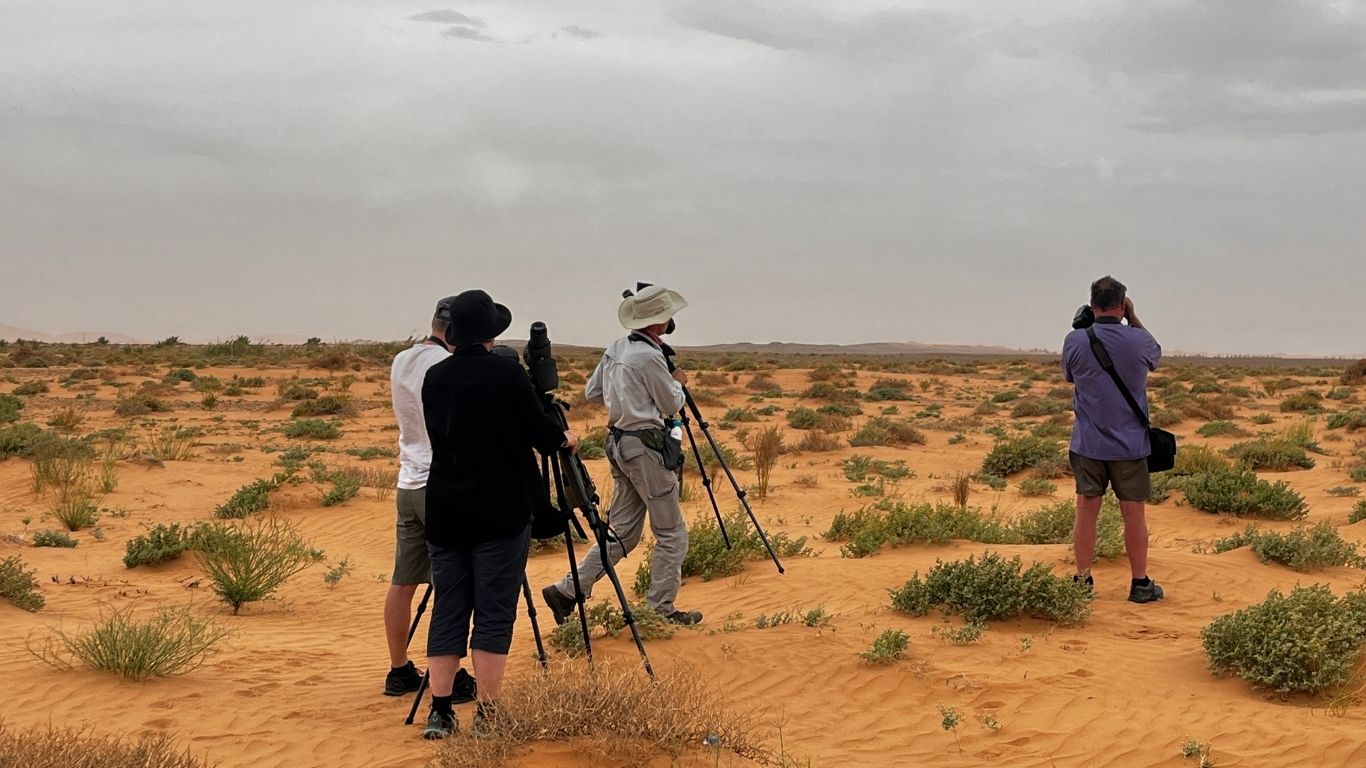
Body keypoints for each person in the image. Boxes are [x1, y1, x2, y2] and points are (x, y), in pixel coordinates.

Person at [420, 289, 578, 739]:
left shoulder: (435, 376)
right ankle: (488, 716)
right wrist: (563, 438)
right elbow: (540, 434)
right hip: (499, 511)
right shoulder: (505, 374)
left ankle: (441, 711)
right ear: (491, 333)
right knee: (493, 612)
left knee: (448, 609)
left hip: (445, 509)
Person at [541, 284, 703, 626]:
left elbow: (592, 392)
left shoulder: (617, 348)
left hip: (619, 444)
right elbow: (672, 403)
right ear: (658, 322)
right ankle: (661, 609)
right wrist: (677, 381)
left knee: (623, 533)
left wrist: (624, 397)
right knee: (671, 534)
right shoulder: (649, 357)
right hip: (646, 449)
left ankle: (567, 590)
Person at [381, 297, 476, 702]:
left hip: (407, 481)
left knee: (403, 581)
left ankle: (398, 669)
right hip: (438, 484)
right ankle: (448, 678)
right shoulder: (444, 365)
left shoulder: (402, 359)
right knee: (452, 585)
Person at [1062, 276, 1164, 604]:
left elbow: (1069, 376)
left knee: (1086, 511)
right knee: (1134, 514)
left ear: (1092, 304)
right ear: (1122, 304)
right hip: (1130, 446)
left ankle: (1082, 580)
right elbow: (1156, 356)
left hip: (1088, 443)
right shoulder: (1139, 340)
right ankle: (1140, 583)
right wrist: (1133, 318)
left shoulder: (1075, 341)